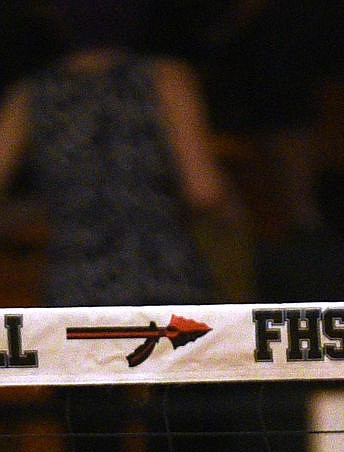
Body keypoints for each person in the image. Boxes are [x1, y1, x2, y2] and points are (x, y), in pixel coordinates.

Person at [0, 0, 247, 306]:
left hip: (76, 290)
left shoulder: (30, 95)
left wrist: (53, 210)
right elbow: (204, 191)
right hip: (164, 281)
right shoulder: (166, 79)